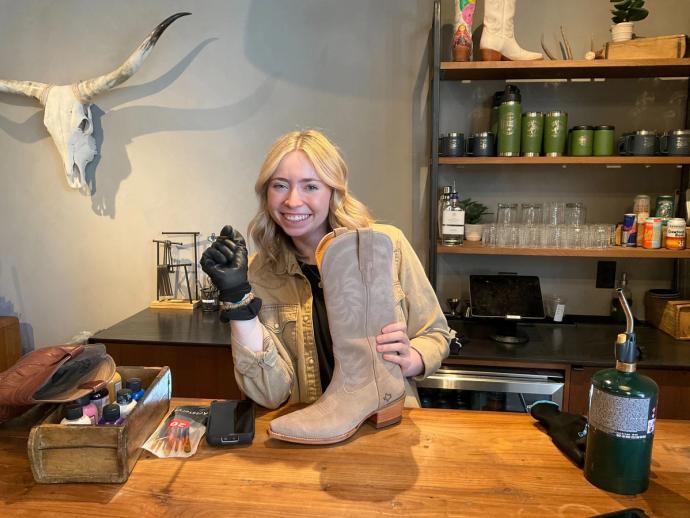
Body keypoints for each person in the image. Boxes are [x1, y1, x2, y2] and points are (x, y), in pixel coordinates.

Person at [201, 129, 450, 409]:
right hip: (306, 432)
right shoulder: (258, 272)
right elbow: (270, 395)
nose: (293, 201)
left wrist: (412, 358)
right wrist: (237, 300)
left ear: (333, 191)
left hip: (385, 422)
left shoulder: (386, 246)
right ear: (266, 193)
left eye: (310, 186)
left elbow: (435, 333)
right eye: (280, 185)